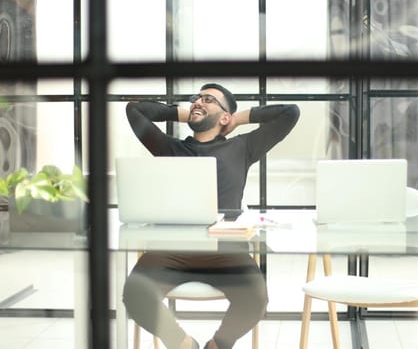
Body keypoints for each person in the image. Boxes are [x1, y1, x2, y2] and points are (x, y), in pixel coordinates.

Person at [122, 83, 300, 349]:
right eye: (196, 98)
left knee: (256, 298)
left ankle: (217, 346)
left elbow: (290, 113)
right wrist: (191, 111)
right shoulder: (168, 148)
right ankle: (184, 345)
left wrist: (236, 119)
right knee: (135, 293)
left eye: (208, 99)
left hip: (225, 250)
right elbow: (134, 110)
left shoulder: (243, 147)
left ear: (225, 116)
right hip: (173, 249)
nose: (198, 101)